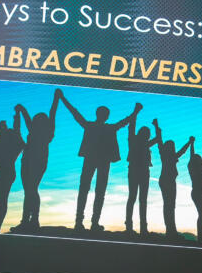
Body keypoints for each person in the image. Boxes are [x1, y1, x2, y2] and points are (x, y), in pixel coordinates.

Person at [59, 91, 137, 232]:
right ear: (103, 115)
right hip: (97, 160)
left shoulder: (97, 126)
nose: (105, 116)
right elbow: (75, 113)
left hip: (99, 160)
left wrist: (135, 112)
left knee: (92, 190)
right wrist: (135, 112)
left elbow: (75, 114)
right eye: (104, 114)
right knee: (92, 190)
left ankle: (88, 222)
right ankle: (85, 222)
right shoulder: (101, 127)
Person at [11, 90, 59, 233]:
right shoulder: (33, 129)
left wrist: (56, 98)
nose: (36, 120)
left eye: (38, 119)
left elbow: (53, 112)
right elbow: (27, 119)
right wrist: (22, 109)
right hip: (26, 160)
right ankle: (26, 220)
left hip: (38, 160)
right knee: (28, 190)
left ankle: (34, 220)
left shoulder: (48, 131)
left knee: (31, 189)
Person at [152, 119, 193, 238]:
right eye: (172, 146)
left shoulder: (169, 155)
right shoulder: (165, 154)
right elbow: (160, 140)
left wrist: (189, 143)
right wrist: (156, 126)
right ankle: (170, 231)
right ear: (170, 147)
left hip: (168, 181)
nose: (173, 147)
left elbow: (182, 151)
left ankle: (171, 230)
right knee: (169, 205)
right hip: (166, 181)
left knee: (170, 205)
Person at [0, 113, 24, 233]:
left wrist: (17, 117)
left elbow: (17, 129)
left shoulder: (12, 144)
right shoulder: (2, 144)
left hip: (6, 172)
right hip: (2, 172)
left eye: (2, 130)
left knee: (0, 201)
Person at [125, 103, 158, 235]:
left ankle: (142, 228)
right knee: (134, 197)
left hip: (142, 171)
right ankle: (131, 227)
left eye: (148, 133)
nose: (147, 135)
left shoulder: (145, 143)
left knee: (140, 198)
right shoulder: (133, 140)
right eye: (146, 133)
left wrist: (156, 126)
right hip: (135, 170)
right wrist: (136, 111)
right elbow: (131, 125)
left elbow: (157, 138)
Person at [187, 138, 202, 244]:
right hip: (200, 193)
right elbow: (192, 156)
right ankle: (201, 238)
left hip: (198, 193)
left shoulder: (196, 169)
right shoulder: (197, 169)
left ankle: (201, 238)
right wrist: (192, 144)